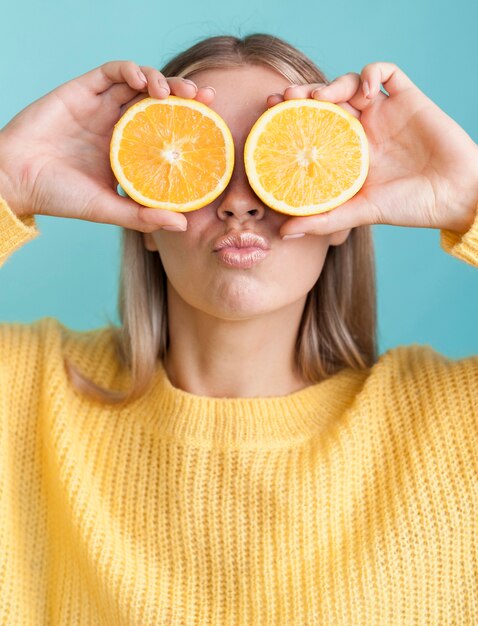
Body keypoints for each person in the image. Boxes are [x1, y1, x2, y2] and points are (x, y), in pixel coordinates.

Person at [0, 33, 477, 625]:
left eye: (274, 160)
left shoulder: (457, 423)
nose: (238, 202)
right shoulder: (21, 395)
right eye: (201, 160)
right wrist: (7, 178)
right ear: (144, 213)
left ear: (343, 210)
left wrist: (469, 194)